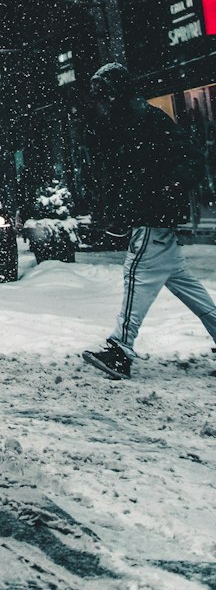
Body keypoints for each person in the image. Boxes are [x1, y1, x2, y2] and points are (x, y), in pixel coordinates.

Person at [80, 61, 216, 380]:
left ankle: (120, 350)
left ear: (114, 93)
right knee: (188, 288)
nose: (98, 101)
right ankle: (120, 348)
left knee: (135, 278)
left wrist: (168, 187)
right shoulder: (133, 119)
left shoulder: (140, 120)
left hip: (152, 218)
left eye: (102, 94)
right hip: (154, 216)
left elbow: (188, 160)